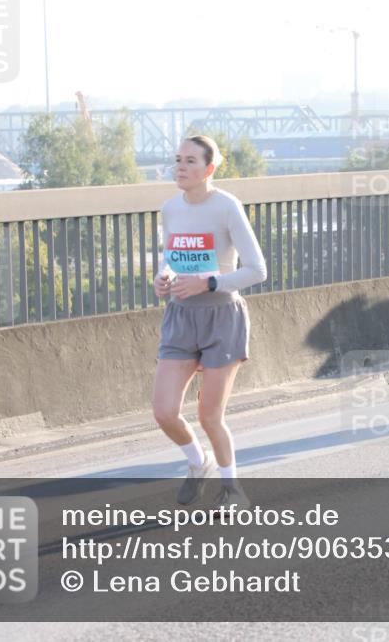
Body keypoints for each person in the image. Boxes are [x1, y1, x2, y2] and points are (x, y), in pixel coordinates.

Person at [152, 135, 267, 509]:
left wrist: (210, 281)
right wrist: (163, 277)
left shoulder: (227, 207)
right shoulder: (170, 208)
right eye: (177, 160)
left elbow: (257, 271)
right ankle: (197, 463)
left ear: (209, 169)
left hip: (222, 317)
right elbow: (172, 257)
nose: (180, 167)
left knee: (209, 415)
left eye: (190, 161)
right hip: (181, 316)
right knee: (164, 410)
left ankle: (233, 489)